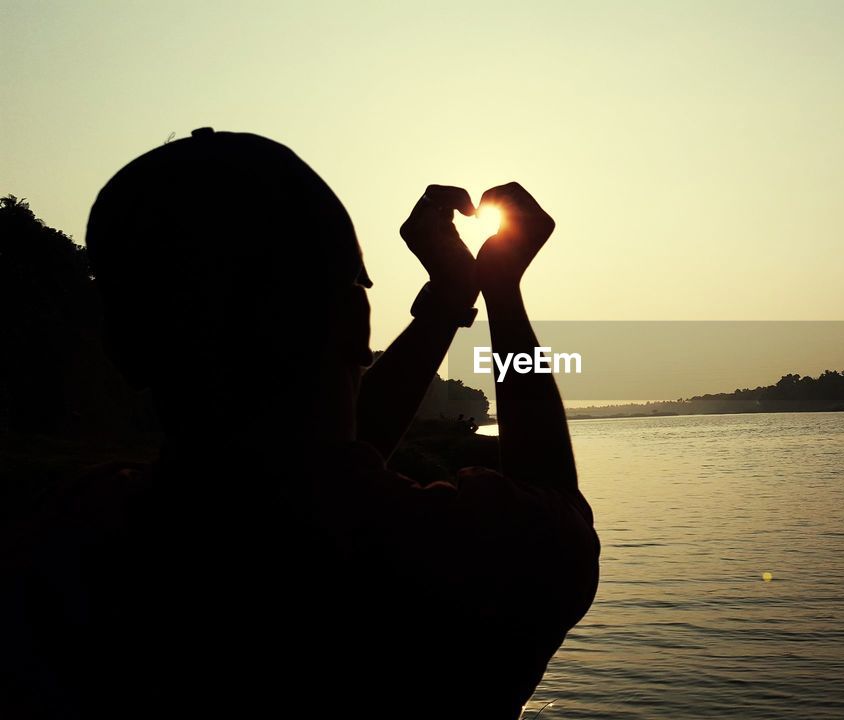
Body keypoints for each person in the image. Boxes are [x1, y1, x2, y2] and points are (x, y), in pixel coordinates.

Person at [0, 129, 598, 718]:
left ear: (122, 344)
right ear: (356, 320)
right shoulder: (462, 561)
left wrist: (445, 304)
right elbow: (554, 509)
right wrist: (500, 295)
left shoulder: (62, 554)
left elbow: (312, 469)